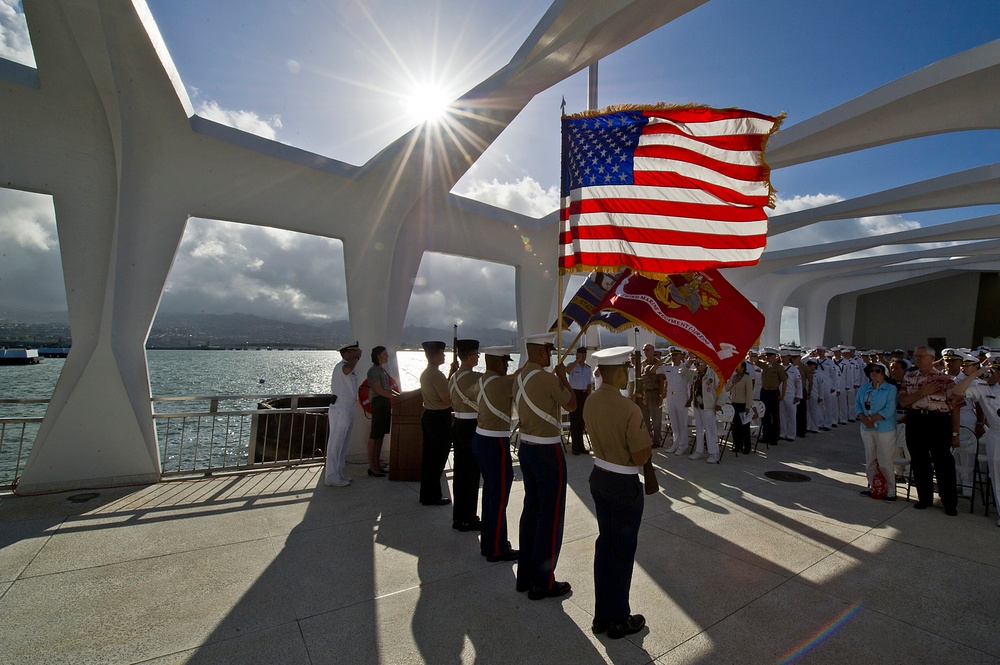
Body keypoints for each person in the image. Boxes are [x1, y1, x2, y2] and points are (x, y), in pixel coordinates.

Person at [584, 346, 651, 640]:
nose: (629, 375)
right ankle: (619, 618)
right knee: (622, 552)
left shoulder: (591, 401)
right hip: (624, 484)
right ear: (619, 372)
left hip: (599, 476)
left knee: (606, 546)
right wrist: (642, 424)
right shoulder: (629, 409)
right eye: (627, 370)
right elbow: (640, 456)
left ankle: (602, 615)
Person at [513, 333, 576, 600]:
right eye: (548, 350)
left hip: (526, 447)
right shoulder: (548, 378)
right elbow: (572, 404)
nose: (550, 355)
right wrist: (563, 376)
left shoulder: (518, 376)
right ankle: (544, 581)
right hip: (547, 449)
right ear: (540, 353)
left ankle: (526, 575)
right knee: (551, 516)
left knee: (532, 510)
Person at [898, 345, 963, 515]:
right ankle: (924, 498)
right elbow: (903, 402)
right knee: (919, 460)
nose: (917, 359)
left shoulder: (945, 380)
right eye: (916, 356)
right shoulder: (910, 377)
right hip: (916, 419)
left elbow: (955, 408)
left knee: (943, 462)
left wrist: (955, 434)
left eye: (921, 356)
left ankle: (949, 502)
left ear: (931, 358)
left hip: (938, 421)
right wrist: (922, 393)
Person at [472, 346, 520, 561]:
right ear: (499, 363)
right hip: (495, 442)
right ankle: (497, 548)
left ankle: (489, 543)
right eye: (506, 363)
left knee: (491, 494)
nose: (507, 366)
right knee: (499, 496)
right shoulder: (501, 383)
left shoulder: (482, 380)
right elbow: (520, 379)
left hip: (481, 438)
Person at [953, 353, 1000, 526]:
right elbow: (957, 391)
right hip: (996, 433)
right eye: (998, 370)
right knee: (997, 475)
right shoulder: (984, 388)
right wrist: (974, 375)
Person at [449, 339, 483, 531]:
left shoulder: (454, 376)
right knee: (470, 475)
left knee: (461, 474)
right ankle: (468, 518)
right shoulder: (472, 377)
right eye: (476, 354)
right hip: (470, 425)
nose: (478, 357)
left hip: (458, 423)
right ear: (469, 356)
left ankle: (459, 516)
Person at [855, 362, 899, 501]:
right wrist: (863, 418)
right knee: (870, 459)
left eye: (877, 371)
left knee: (885, 460)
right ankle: (873, 486)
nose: (874, 373)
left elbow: (889, 409)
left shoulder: (891, 389)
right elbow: (857, 404)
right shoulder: (864, 388)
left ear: (884, 373)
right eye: (871, 371)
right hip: (867, 428)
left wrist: (871, 418)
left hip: (884, 428)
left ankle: (891, 490)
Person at [419, 340, 453, 506]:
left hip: (430, 416)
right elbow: (447, 400)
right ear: (436, 355)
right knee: (437, 459)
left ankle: (427, 495)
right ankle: (433, 496)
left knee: (429, 459)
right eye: (442, 353)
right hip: (439, 419)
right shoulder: (436, 375)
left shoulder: (428, 373)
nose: (444, 355)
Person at [325, 341, 362, 487]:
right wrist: (356, 359)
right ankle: (331, 476)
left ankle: (338, 473)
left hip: (347, 406)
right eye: (354, 352)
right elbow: (347, 369)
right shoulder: (342, 366)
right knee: (336, 443)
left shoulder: (349, 368)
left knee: (343, 443)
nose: (357, 355)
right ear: (347, 353)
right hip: (340, 407)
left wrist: (355, 359)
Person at [366, 346, 399, 477]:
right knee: (375, 435)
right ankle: (372, 467)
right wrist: (395, 397)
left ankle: (377, 464)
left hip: (385, 403)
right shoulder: (374, 370)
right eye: (385, 354)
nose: (387, 356)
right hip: (379, 402)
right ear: (378, 355)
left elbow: (388, 389)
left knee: (380, 435)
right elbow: (379, 390)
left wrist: (399, 396)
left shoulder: (382, 370)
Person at [687, 359, 724, 463]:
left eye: (698, 364)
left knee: (710, 429)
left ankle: (714, 453)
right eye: (695, 364)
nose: (696, 366)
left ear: (705, 364)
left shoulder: (712, 374)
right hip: (698, 405)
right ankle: (699, 450)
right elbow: (684, 372)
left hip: (708, 406)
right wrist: (689, 363)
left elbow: (721, 388)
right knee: (698, 429)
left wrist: (719, 403)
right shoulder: (695, 374)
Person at [661, 348, 693, 455]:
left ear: (681, 356)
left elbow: (691, 384)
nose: (673, 357)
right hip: (671, 397)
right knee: (674, 422)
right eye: (672, 355)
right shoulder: (668, 367)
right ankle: (676, 443)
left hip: (681, 397)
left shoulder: (685, 367)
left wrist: (690, 399)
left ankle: (683, 445)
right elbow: (653, 369)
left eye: (676, 355)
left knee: (682, 422)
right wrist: (665, 358)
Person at [565, 347, 595, 454]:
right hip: (574, 394)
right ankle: (575, 446)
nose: (583, 357)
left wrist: (589, 398)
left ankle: (581, 446)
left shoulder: (588, 368)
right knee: (575, 421)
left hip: (583, 395)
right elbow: (567, 371)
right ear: (577, 355)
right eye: (581, 355)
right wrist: (577, 360)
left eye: (585, 355)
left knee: (582, 421)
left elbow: (589, 385)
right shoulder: (572, 366)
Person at [637, 344, 665, 447]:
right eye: (644, 350)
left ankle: (656, 440)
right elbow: (640, 380)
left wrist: (661, 396)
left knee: (656, 418)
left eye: (647, 350)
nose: (645, 351)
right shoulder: (642, 364)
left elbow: (662, 381)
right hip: (645, 393)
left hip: (655, 392)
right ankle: (648, 438)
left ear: (653, 350)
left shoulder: (658, 363)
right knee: (645, 418)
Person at [759, 348, 787, 445]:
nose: (768, 358)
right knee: (764, 415)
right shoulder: (764, 365)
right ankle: (766, 435)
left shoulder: (779, 367)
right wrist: (761, 356)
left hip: (773, 391)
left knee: (774, 415)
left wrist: (783, 394)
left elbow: (784, 380)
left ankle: (774, 437)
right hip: (764, 391)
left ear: (775, 357)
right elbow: (754, 360)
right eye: (767, 356)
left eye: (770, 356)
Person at [727, 361, 754, 454]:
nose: (737, 369)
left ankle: (747, 446)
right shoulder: (734, 377)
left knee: (745, 427)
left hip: (743, 404)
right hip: (734, 404)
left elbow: (749, 393)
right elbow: (726, 388)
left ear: (743, 368)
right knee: (735, 427)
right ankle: (737, 445)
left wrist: (747, 406)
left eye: (738, 367)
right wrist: (733, 381)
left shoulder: (747, 378)